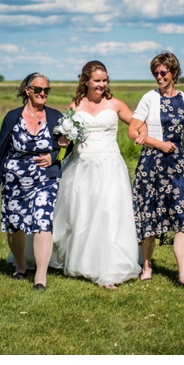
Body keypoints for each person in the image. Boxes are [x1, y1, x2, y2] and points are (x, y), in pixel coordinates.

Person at [50, 61, 143, 289]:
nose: (102, 85)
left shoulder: (116, 104)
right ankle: (82, 262)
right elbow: (63, 136)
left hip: (110, 166)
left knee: (108, 213)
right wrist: (63, 139)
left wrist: (143, 137)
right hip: (81, 166)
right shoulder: (75, 105)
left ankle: (110, 268)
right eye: (97, 81)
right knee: (82, 213)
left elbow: (138, 124)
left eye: (105, 80)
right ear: (85, 81)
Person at [127, 51, 184, 288]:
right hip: (152, 164)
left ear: (174, 73)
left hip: (178, 165)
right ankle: (147, 266)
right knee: (150, 216)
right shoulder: (149, 98)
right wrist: (157, 143)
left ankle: (183, 275)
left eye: (163, 72)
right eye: (155, 73)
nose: (159, 76)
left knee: (183, 216)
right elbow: (133, 131)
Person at [0, 73, 69, 290]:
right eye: (38, 89)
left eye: (46, 90)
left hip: (45, 177)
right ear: (27, 90)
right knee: (15, 225)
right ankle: (21, 265)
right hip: (15, 177)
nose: (43, 94)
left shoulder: (55, 117)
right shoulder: (12, 117)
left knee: (43, 221)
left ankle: (41, 275)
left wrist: (54, 156)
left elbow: (68, 146)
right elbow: (1, 151)